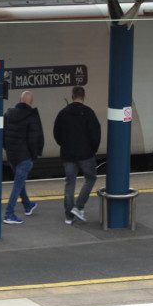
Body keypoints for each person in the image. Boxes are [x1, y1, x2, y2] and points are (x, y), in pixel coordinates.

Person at [53, 86, 101, 225]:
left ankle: (68, 216)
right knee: (90, 178)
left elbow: (57, 133)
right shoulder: (88, 113)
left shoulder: (62, 113)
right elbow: (95, 134)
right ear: (84, 97)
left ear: (72, 96)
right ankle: (79, 206)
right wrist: (93, 149)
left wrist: (64, 145)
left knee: (70, 183)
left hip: (68, 154)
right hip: (86, 154)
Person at [2, 90, 44, 225]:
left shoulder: (8, 114)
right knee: (18, 184)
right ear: (30, 102)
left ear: (20, 100)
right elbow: (34, 139)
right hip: (24, 156)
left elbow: (2, 136)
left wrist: (8, 150)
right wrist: (33, 155)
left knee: (20, 181)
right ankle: (9, 214)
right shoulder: (31, 116)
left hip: (12, 155)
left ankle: (27, 205)